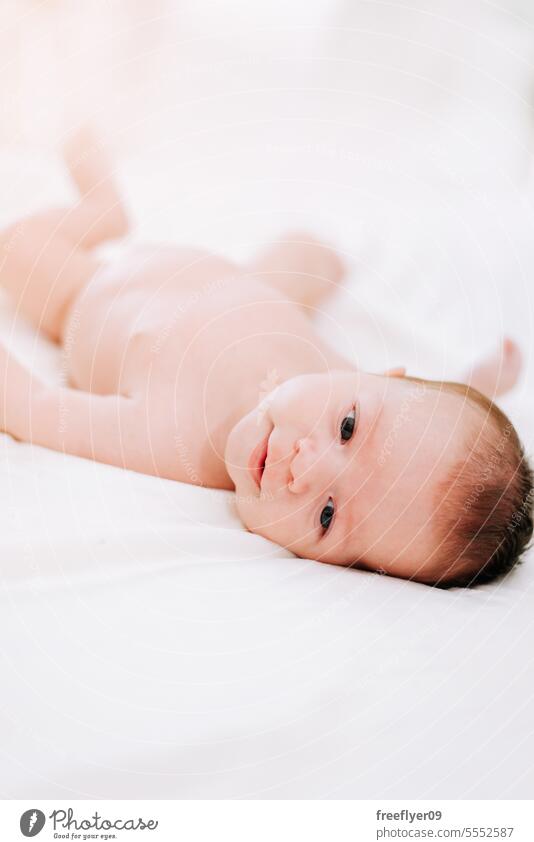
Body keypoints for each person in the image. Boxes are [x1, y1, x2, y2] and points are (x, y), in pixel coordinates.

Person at [1, 130, 532, 587]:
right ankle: (469, 383)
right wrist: (470, 387)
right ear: (375, 376)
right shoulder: (332, 369)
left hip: (96, 291)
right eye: (348, 427)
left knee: (16, 247)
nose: (305, 463)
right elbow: (415, 426)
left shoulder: (174, 439)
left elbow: (32, 406)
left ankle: (103, 211)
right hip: (248, 293)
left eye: (327, 514)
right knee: (305, 259)